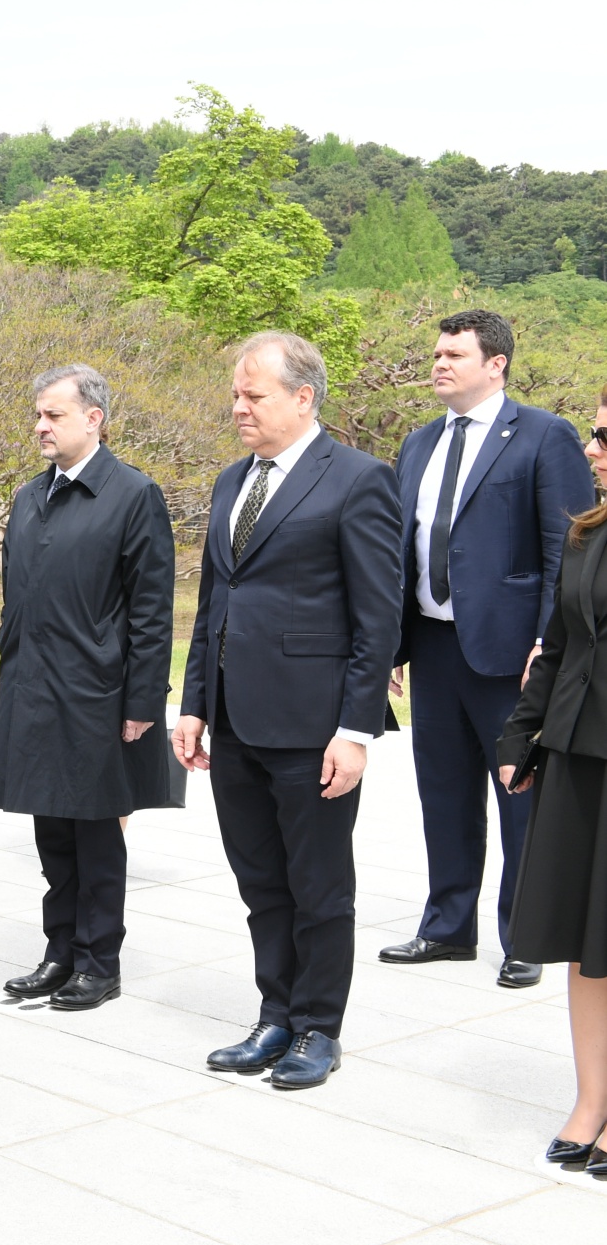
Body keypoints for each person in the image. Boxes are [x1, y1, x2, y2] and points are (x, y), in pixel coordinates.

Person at [173, 331, 402, 1090]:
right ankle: (273, 1012)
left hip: (313, 726)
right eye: (235, 394)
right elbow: (214, 600)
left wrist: (354, 729)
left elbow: (378, 619)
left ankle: (317, 1026)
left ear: (302, 397)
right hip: (234, 720)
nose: (237, 407)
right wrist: (194, 703)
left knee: (318, 883)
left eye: (253, 395)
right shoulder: (230, 480)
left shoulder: (358, 479)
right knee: (259, 880)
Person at [381, 310, 593, 990]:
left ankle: (522, 936)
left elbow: (567, 548)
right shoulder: (416, 445)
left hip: (511, 653)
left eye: (453, 354)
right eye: (435, 352)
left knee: (519, 794)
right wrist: (389, 642)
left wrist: (544, 642)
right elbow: (398, 554)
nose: (438, 363)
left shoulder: (542, 435)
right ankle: (445, 926)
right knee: (441, 793)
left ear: (495, 363)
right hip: (433, 646)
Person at [0, 365, 180, 1011]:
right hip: (33, 688)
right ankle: (59, 950)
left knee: (97, 835)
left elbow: (152, 609)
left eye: (54, 415)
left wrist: (141, 703)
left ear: (93, 417)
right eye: (37, 415)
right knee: (51, 835)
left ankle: (99, 961)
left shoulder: (132, 494)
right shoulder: (26, 496)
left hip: (97, 693)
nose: (41, 426)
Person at [495, 390, 607, 1175]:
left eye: (603, 435)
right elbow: (558, 646)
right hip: (576, 754)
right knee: (580, 940)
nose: (591, 448)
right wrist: (518, 737)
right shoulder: (584, 535)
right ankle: (591, 1099)